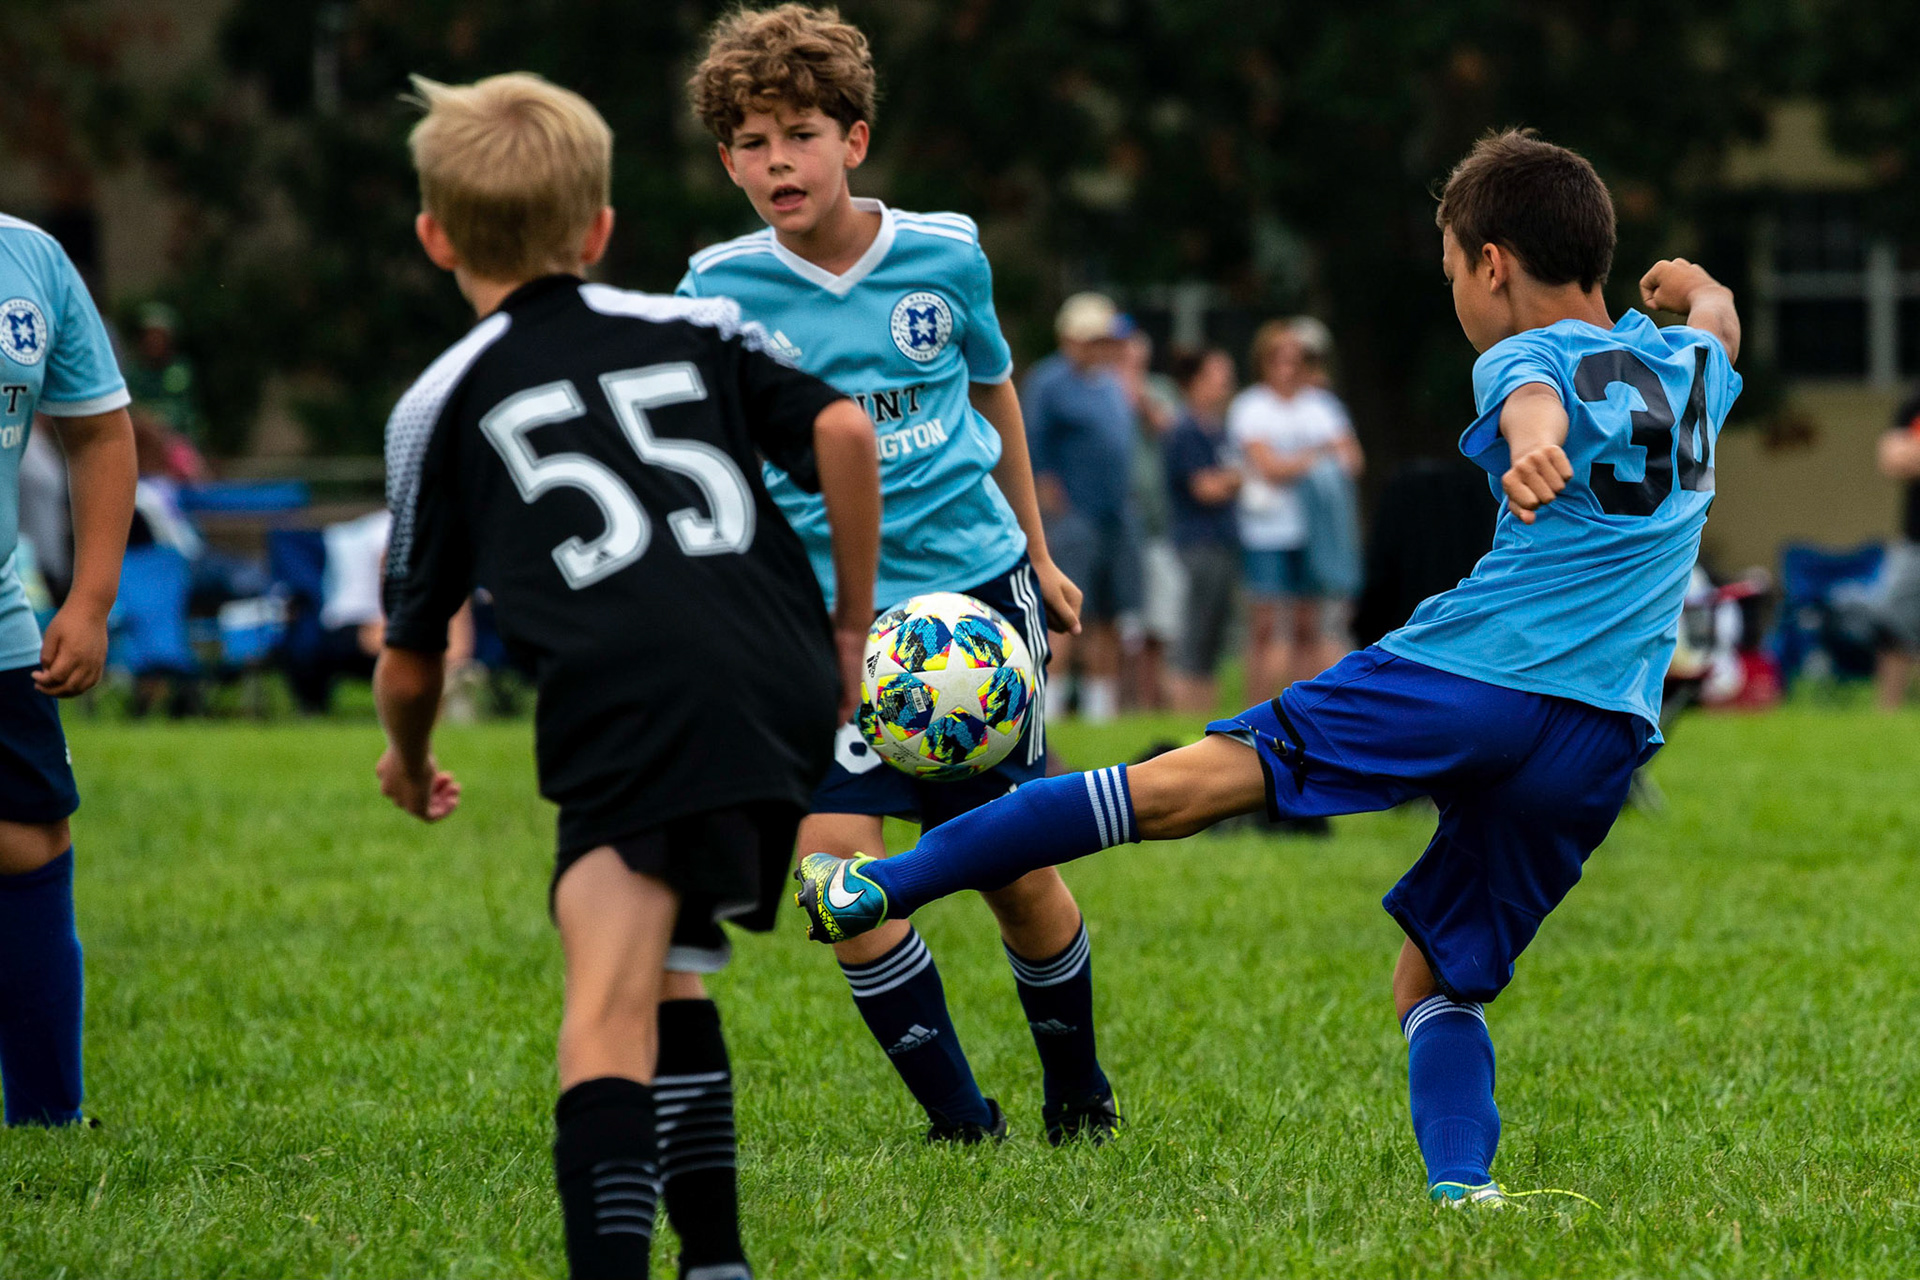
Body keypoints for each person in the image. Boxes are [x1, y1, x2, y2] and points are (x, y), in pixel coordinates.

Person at [796, 130, 1743, 1209]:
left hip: (1469, 673)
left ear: (1491, 264)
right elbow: (1718, 317)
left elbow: (1532, 398)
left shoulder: (1521, 356)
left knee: (1178, 785)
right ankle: (1462, 1188)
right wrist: (1694, 283)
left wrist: (1535, 440)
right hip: (1600, 736)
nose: (1458, 301)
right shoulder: (1696, 369)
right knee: (1435, 978)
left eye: (1450, 275)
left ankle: (880, 881)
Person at [372, 72, 881, 1280]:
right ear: (598, 230)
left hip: (631, 694)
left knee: (600, 1006)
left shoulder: (438, 402)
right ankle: (716, 1259)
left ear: (435, 236)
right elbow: (846, 432)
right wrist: (851, 630)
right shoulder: (690, 326)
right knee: (670, 967)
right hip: (778, 674)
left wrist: (408, 751)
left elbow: (409, 649)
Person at [679, 3, 1119, 1148]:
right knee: (832, 881)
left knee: (1014, 869)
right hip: (821, 625)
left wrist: (1038, 550)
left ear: (854, 140)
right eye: (753, 141)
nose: (778, 158)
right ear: (728, 161)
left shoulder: (944, 253)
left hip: (973, 598)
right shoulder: (714, 290)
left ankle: (1078, 1090)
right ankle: (961, 1123)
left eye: (801, 133)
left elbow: (994, 391)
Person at [0, 215, 139, 1126]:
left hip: (2, 627)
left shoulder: (30, 257)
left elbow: (97, 432)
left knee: (27, 841)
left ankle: (50, 1119)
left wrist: (87, 601)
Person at [1227, 317, 1363, 701]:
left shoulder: (1322, 406)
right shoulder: (1250, 407)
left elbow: (1352, 460)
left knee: (1308, 623)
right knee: (1265, 624)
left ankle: (1301, 702)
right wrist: (1318, 453)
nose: (1287, 368)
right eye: (1278, 359)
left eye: (1294, 359)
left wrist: (1301, 460)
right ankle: (1255, 704)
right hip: (1267, 530)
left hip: (1313, 530)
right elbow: (1269, 468)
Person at [1023, 292, 1138, 723]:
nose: (1104, 347)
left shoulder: (1110, 383)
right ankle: (1049, 712)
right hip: (1073, 519)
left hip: (1115, 517)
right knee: (1068, 611)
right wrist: (1053, 511)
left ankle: (1099, 711)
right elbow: (1034, 450)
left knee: (1109, 612)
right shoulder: (1049, 381)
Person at [1162, 347, 1241, 713]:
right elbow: (1204, 488)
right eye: (1217, 376)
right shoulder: (1186, 430)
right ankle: (1184, 711)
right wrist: (1236, 478)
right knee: (1194, 633)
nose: (1226, 384)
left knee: (1214, 637)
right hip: (1197, 544)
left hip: (1223, 542)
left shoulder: (1219, 429)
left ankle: (1204, 713)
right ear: (1195, 382)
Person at [1120, 326, 1183, 710]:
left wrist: (1137, 393)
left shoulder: (1157, 389)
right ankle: (1120, 703)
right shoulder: (1100, 390)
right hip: (1122, 526)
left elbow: (1168, 426)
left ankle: (1150, 701)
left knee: (1158, 625)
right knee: (1125, 626)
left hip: (1160, 528)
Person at [1872, 388, 1920, 710]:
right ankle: (1887, 714)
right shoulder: (1914, 403)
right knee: (1893, 623)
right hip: (1915, 539)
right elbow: (1892, 459)